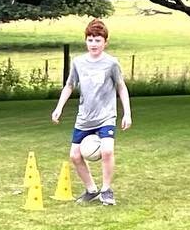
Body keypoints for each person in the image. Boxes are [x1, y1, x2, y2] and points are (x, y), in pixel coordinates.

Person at [51, 17, 133, 206]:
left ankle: (106, 190)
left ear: (105, 42)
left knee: (107, 150)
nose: (93, 44)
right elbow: (69, 85)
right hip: (85, 118)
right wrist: (59, 108)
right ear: (85, 40)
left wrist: (126, 113)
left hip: (106, 116)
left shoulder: (112, 63)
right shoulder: (78, 62)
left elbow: (121, 87)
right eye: (90, 39)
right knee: (75, 155)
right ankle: (91, 189)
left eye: (98, 40)